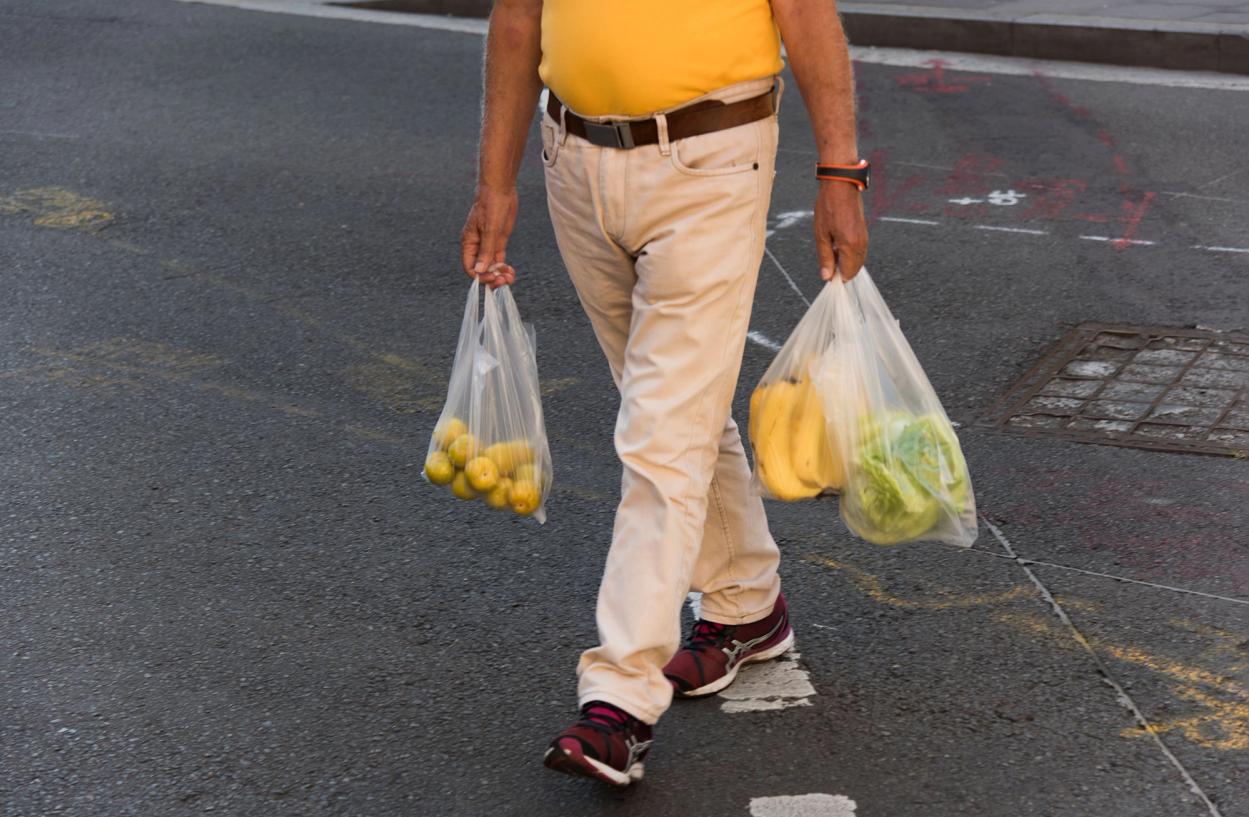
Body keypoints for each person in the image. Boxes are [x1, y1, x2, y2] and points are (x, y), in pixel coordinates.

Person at [460, 0, 869, 787]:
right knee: (676, 408)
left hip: (710, 157)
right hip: (572, 160)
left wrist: (839, 171)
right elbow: (517, 18)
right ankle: (748, 607)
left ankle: (619, 698)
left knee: (660, 433)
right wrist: (495, 183)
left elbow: (806, 13)